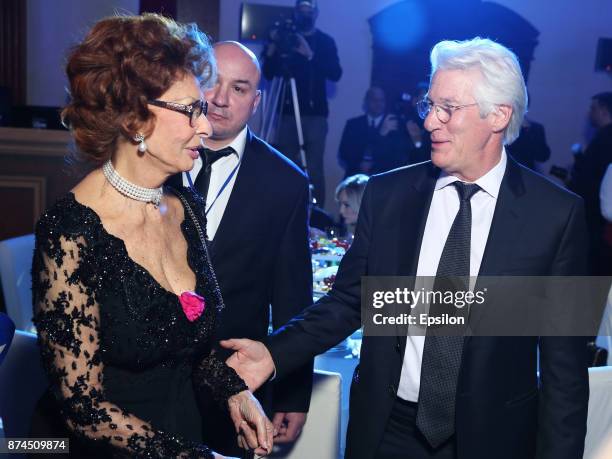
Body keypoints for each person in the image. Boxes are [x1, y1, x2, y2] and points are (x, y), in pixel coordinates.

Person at [222, 38, 590, 459]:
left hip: (495, 438)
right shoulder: (389, 194)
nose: (431, 120)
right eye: (429, 105)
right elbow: (351, 301)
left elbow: (565, 372)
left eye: (448, 108)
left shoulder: (558, 216)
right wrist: (274, 353)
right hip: (388, 432)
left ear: (499, 116)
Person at [29, 15, 273, 459]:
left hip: (186, 425)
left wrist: (236, 393)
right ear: (134, 118)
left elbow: (190, 347)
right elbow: (83, 408)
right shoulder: (70, 233)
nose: (206, 126)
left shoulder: (184, 205)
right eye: (190, 111)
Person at [168, 41, 313, 457]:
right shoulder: (156, 161)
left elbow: (293, 296)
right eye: (211, 82)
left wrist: (292, 394)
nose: (218, 99)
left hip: (233, 380)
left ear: (257, 101)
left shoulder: (286, 182)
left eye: (239, 88)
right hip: (148, 370)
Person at [262, 0, 342, 207]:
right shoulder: (285, 40)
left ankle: (317, 214)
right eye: (301, 11)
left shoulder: (325, 41)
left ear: (316, 14)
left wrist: (309, 54)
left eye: (309, 11)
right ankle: (281, 210)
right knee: (284, 164)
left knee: (313, 167)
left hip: (315, 116)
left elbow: (335, 73)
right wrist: (273, 46)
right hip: (286, 113)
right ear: (295, 12)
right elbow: (269, 73)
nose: (305, 15)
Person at [569, 92, 612, 275]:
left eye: (593, 108)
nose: (589, 112)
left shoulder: (606, 138)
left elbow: (595, 179)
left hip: (595, 218)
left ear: (603, 110)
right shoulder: (603, 136)